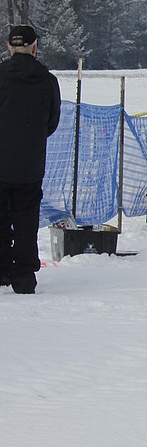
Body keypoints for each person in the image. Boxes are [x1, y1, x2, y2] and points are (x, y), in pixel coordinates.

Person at [0, 26, 61, 294]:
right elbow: (52, 122)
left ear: (8, 47)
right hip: (30, 163)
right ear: (35, 48)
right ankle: (24, 278)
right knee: (26, 220)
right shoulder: (47, 80)